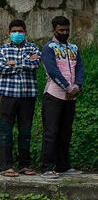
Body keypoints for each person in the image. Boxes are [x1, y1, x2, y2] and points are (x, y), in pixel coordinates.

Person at [39, 16, 85, 180]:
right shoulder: (48, 48)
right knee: (51, 132)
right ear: (54, 30)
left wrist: (77, 86)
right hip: (54, 95)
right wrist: (68, 87)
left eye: (67, 30)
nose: (65, 33)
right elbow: (52, 70)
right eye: (61, 30)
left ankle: (63, 166)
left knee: (66, 132)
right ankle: (47, 167)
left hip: (71, 97)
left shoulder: (74, 48)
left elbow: (80, 68)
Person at [0, 20, 41, 177]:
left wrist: (12, 64)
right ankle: (6, 166)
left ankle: (24, 165)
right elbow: (1, 67)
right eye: (14, 31)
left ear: (25, 32)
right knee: (5, 131)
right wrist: (24, 62)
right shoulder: (2, 49)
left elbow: (35, 64)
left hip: (27, 96)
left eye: (20, 31)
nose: (17, 34)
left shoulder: (33, 47)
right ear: (9, 33)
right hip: (7, 96)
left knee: (25, 132)